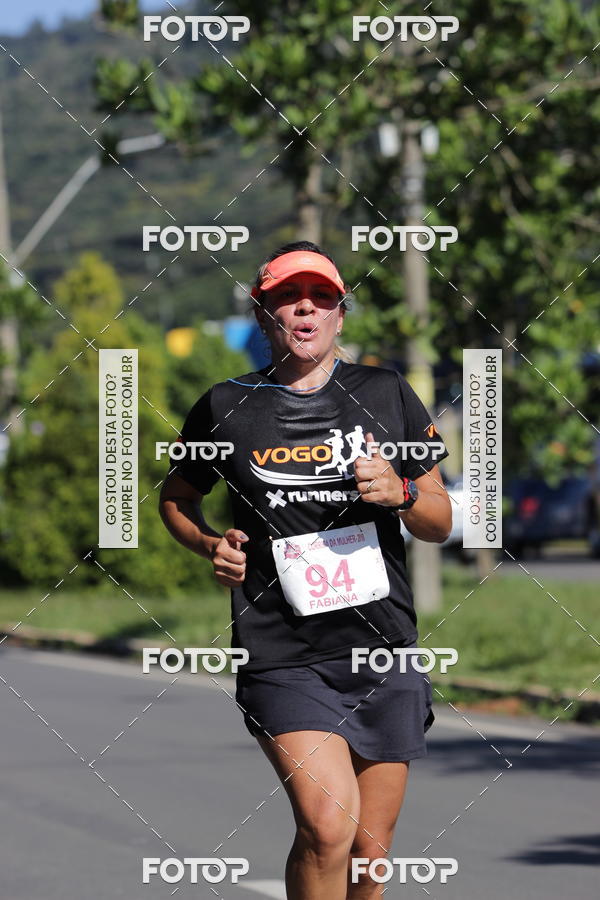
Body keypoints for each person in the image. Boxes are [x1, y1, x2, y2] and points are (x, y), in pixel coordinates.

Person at [159, 241, 452, 899]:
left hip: (383, 650)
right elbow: (176, 500)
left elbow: (439, 518)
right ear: (265, 313)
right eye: (290, 298)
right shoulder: (225, 407)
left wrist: (401, 494)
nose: (306, 310)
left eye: (322, 298)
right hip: (283, 653)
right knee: (328, 827)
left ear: (340, 315)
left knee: (370, 854)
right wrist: (209, 544)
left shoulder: (386, 393)